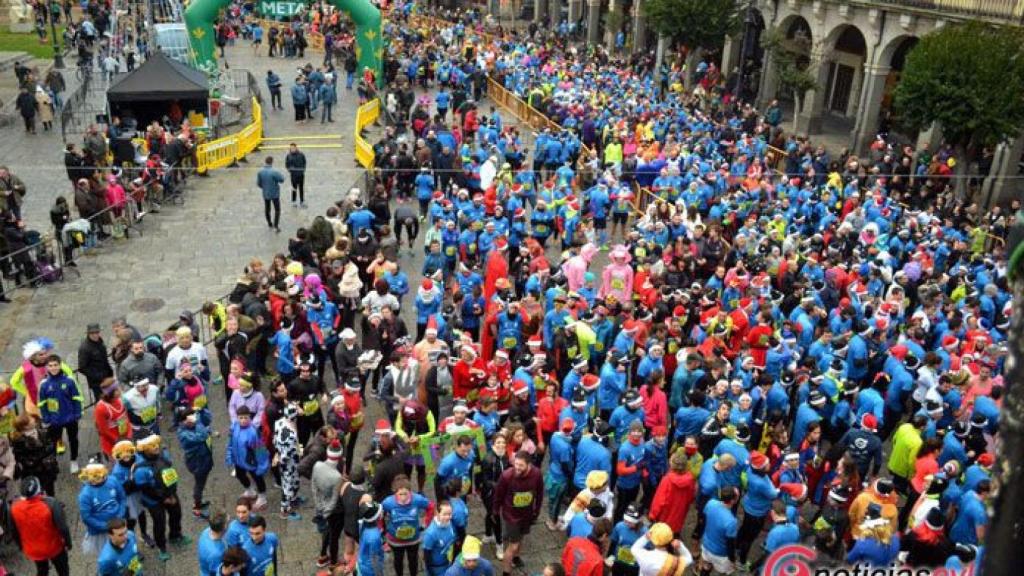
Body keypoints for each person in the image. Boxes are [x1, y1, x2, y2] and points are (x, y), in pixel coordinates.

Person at [133, 434, 191, 561]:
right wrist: (163, 499)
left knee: (176, 514)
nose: (156, 447)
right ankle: (161, 547)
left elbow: (171, 474)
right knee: (159, 523)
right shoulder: (140, 469)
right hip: (154, 500)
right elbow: (146, 489)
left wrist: (172, 493)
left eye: (156, 444)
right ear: (144, 449)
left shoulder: (163, 455)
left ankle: (175, 536)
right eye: (152, 446)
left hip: (169, 493)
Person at [493, 450, 544, 576]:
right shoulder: (506, 476)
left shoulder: (537, 474)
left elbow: (540, 493)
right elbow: (498, 495)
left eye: (521, 465)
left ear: (529, 464)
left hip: (527, 514)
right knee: (513, 545)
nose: (517, 468)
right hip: (511, 516)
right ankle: (506, 572)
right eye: (516, 464)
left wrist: (536, 511)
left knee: (521, 539)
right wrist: (494, 512)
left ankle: (515, 558)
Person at [10, 476, 72, 576]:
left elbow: (14, 531)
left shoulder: (14, 508)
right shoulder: (51, 503)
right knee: (63, 570)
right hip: (54, 547)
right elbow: (63, 528)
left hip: (33, 550)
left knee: (42, 570)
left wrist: (22, 547)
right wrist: (68, 543)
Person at [37, 353, 83, 474]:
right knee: (55, 440)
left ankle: (74, 460)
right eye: (50, 365)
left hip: (70, 419)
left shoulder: (69, 381)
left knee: (73, 439)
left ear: (60, 365)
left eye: (55, 365)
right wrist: (46, 418)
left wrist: (77, 413)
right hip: (54, 420)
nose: (53, 368)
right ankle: (56, 456)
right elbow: (42, 403)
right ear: (46, 367)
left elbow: (76, 398)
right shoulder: (44, 384)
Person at [77, 460, 126, 555]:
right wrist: (105, 526)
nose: (96, 479)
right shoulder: (85, 495)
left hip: (118, 525)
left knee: (123, 548)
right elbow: (86, 517)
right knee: (107, 553)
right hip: (101, 532)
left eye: (98, 475)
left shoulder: (113, 481)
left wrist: (120, 516)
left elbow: (122, 498)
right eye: (93, 476)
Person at [226, 405, 269, 510]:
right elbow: (230, 442)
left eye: (246, 417)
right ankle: (250, 491)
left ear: (250, 417)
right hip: (238, 460)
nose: (243, 420)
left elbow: (260, 451)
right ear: (237, 418)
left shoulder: (253, 432)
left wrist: (262, 466)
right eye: (241, 418)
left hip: (251, 462)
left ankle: (262, 497)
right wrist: (229, 455)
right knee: (240, 476)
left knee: (258, 479)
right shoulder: (234, 426)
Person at [77, 323, 113, 401]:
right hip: (97, 382)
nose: (95, 335)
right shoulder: (84, 348)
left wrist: (110, 372)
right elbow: (82, 368)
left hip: (107, 376)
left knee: (111, 398)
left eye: (97, 332)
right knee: (102, 401)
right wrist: (97, 376)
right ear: (88, 334)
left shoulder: (100, 341)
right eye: (92, 333)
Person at [257, 156, 285, 232]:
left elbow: (259, 184)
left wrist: (264, 187)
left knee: (267, 208)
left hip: (266, 193)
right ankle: (276, 225)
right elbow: (282, 180)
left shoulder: (260, 172)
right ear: (272, 162)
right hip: (275, 193)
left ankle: (269, 223)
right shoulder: (274, 171)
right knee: (277, 209)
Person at [198, 510, 228, 576]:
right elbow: (216, 573)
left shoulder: (206, 531)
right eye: (227, 522)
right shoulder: (216, 554)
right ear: (224, 527)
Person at [285, 143, 307, 207]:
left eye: (293, 148)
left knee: (301, 188)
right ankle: (294, 201)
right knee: (294, 188)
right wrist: (290, 170)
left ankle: (302, 201)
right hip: (293, 175)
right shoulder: (288, 156)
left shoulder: (301, 154)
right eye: (291, 148)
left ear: (296, 148)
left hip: (301, 175)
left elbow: (304, 162)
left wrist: (303, 170)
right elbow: (286, 165)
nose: (292, 149)